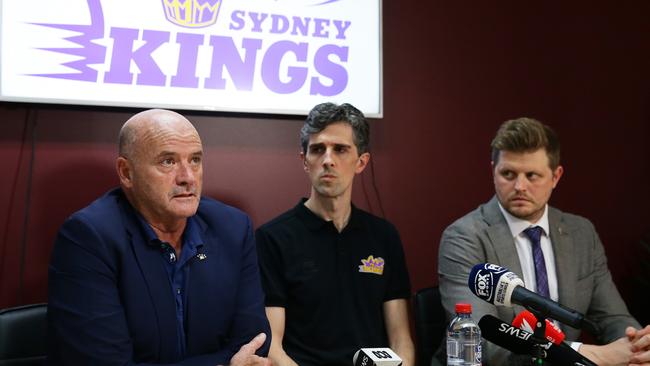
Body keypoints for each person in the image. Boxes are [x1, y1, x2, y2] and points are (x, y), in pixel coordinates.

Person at [48, 109, 272, 365]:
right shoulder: (89, 237)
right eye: (168, 161)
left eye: (195, 160)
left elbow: (254, 345)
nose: (188, 177)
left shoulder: (232, 228)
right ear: (126, 173)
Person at [438, 117, 650, 366]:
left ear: (556, 176)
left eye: (532, 175)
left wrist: (638, 347)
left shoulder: (582, 233)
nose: (520, 186)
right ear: (493, 171)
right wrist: (591, 355)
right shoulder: (464, 236)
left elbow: (613, 318)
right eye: (508, 173)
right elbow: (481, 342)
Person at [255, 102, 415, 366]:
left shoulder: (384, 236)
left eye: (340, 149)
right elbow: (273, 347)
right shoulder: (273, 239)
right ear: (304, 161)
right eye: (318, 149)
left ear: (361, 162)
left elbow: (401, 340)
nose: (328, 160)